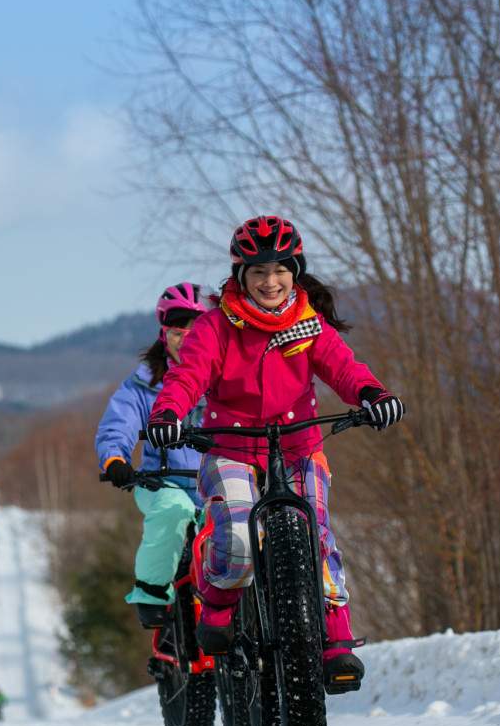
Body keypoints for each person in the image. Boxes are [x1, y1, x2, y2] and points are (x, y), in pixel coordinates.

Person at [145, 216, 405, 694]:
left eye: (280, 269)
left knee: (319, 535)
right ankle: (221, 605)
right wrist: (168, 414)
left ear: (295, 271)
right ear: (240, 275)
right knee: (239, 539)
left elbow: (343, 366)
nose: (270, 281)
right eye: (258, 271)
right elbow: (187, 378)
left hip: (300, 445)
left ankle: (336, 641)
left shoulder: (308, 324)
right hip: (231, 448)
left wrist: (372, 394)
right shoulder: (215, 326)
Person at [96, 282, 208, 629]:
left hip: (218, 479)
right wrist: (115, 459)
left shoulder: (225, 376)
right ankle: (151, 592)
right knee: (174, 512)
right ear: (164, 334)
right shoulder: (144, 384)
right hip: (164, 481)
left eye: (197, 329)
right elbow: (119, 425)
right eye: (177, 330)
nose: (186, 338)